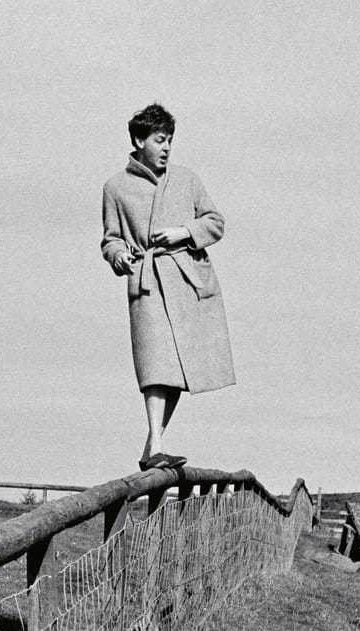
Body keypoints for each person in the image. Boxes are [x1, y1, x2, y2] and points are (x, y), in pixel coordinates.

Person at [101, 103, 235, 471]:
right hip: (148, 283)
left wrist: (184, 232)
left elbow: (215, 222)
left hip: (188, 284)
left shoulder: (187, 179)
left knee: (176, 372)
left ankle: (152, 448)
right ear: (139, 140)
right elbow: (110, 240)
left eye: (170, 141)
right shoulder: (115, 188)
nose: (166, 148)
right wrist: (118, 258)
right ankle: (156, 444)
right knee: (155, 366)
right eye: (160, 140)